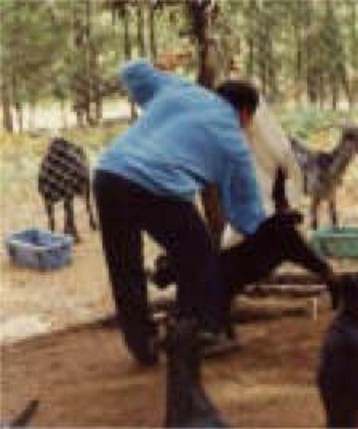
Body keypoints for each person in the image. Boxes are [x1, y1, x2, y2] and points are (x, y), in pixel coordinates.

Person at [94, 58, 266, 366]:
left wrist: (161, 66)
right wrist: (262, 235)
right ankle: (195, 334)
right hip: (154, 185)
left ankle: (143, 345)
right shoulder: (232, 140)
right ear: (244, 113)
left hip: (108, 173)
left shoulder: (180, 89)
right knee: (199, 257)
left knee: (125, 266)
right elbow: (247, 212)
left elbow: (132, 72)